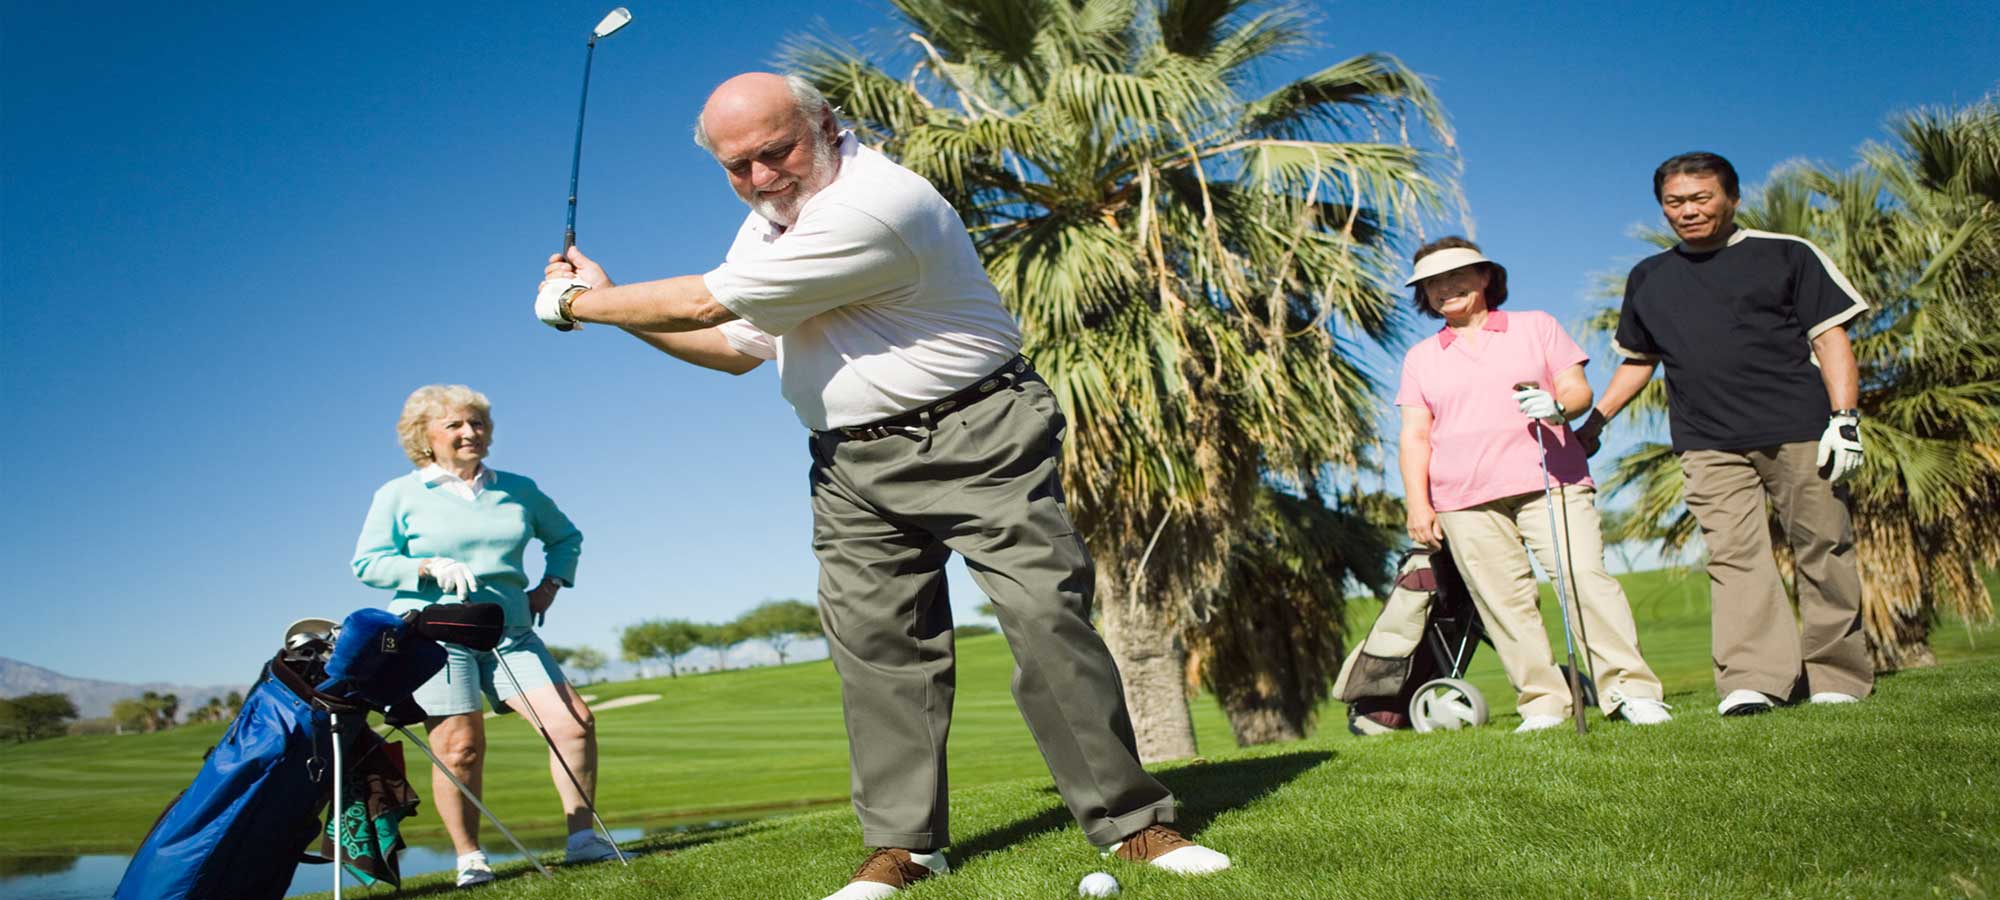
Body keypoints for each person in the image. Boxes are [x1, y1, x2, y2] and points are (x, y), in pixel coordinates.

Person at [532, 72, 1229, 899]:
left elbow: (705, 305)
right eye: (737, 167)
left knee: (1045, 619)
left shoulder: (875, 204)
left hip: (980, 432)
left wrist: (581, 303)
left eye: (774, 152)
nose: (760, 179)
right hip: (849, 463)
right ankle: (905, 848)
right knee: (878, 653)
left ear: (826, 124)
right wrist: (613, 310)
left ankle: (1133, 825)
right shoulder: (767, 229)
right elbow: (731, 347)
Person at [1575, 152, 1873, 716]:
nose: (1688, 211)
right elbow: (1640, 361)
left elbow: (1831, 339)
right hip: (1706, 439)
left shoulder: (1786, 254)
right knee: (1734, 556)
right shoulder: (1649, 278)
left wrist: (1845, 421)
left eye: (1700, 198)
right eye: (1674, 202)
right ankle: (1756, 679)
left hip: (1799, 429)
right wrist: (1594, 425)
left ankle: (1838, 675)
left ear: (1732, 198)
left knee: (1823, 547)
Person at [1396, 237, 1671, 732]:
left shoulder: (1536, 326)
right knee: (1504, 602)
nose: (1444, 288)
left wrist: (1560, 407)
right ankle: (1543, 703)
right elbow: (1415, 434)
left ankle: (1629, 691)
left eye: (1456, 276)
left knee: (1584, 579)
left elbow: (1576, 388)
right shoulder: (1421, 357)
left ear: (1485, 277)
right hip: (1463, 498)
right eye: (1432, 283)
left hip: (1552, 480)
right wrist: (1419, 504)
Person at [351, 384, 612, 887]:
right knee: (460, 748)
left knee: (573, 725)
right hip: (435, 634)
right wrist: (426, 566)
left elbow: (565, 537)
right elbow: (368, 563)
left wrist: (550, 585)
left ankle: (583, 840)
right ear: (425, 436)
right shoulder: (398, 494)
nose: (471, 432)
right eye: (455, 425)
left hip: (511, 630)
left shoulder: (517, 488)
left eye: (478, 423)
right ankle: (470, 857)